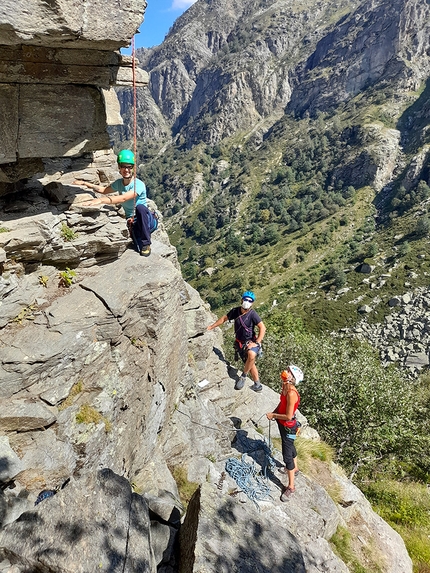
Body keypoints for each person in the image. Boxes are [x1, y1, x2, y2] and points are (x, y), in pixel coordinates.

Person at [73, 149, 157, 257]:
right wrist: (85, 183)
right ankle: (140, 238)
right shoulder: (119, 183)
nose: (126, 170)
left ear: (133, 168)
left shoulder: (138, 184)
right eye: (123, 166)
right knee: (136, 247)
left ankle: (147, 243)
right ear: (119, 167)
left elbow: (123, 198)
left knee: (140, 208)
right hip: (133, 222)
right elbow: (103, 190)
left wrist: (101, 200)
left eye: (129, 167)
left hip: (147, 220)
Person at [207, 291, 266, 392]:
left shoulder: (253, 314)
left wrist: (257, 342)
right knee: (250, 362)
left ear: (252, 303)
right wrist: (211, 326)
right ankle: (257, 385)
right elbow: (224, 319)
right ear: (241, 300)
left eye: (250, 300)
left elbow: (262, 328)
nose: (247, 301)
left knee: (251, 355)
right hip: (240, 343)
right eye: (245, 299)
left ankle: (243, 376)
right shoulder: (235, 311)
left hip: (251, 342)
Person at [266, 365, 304, 500]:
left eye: (289, 372)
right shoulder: (285, 387)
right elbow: (282, 404)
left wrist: (274, 415)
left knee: (287, 455)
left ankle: (291, 487)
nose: (285, 372)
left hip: (289, 426)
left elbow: (288, 416)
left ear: (292, 378)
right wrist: (275, 412)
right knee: (290, 445)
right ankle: (295, 469)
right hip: (284, 426)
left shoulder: (292, 393)